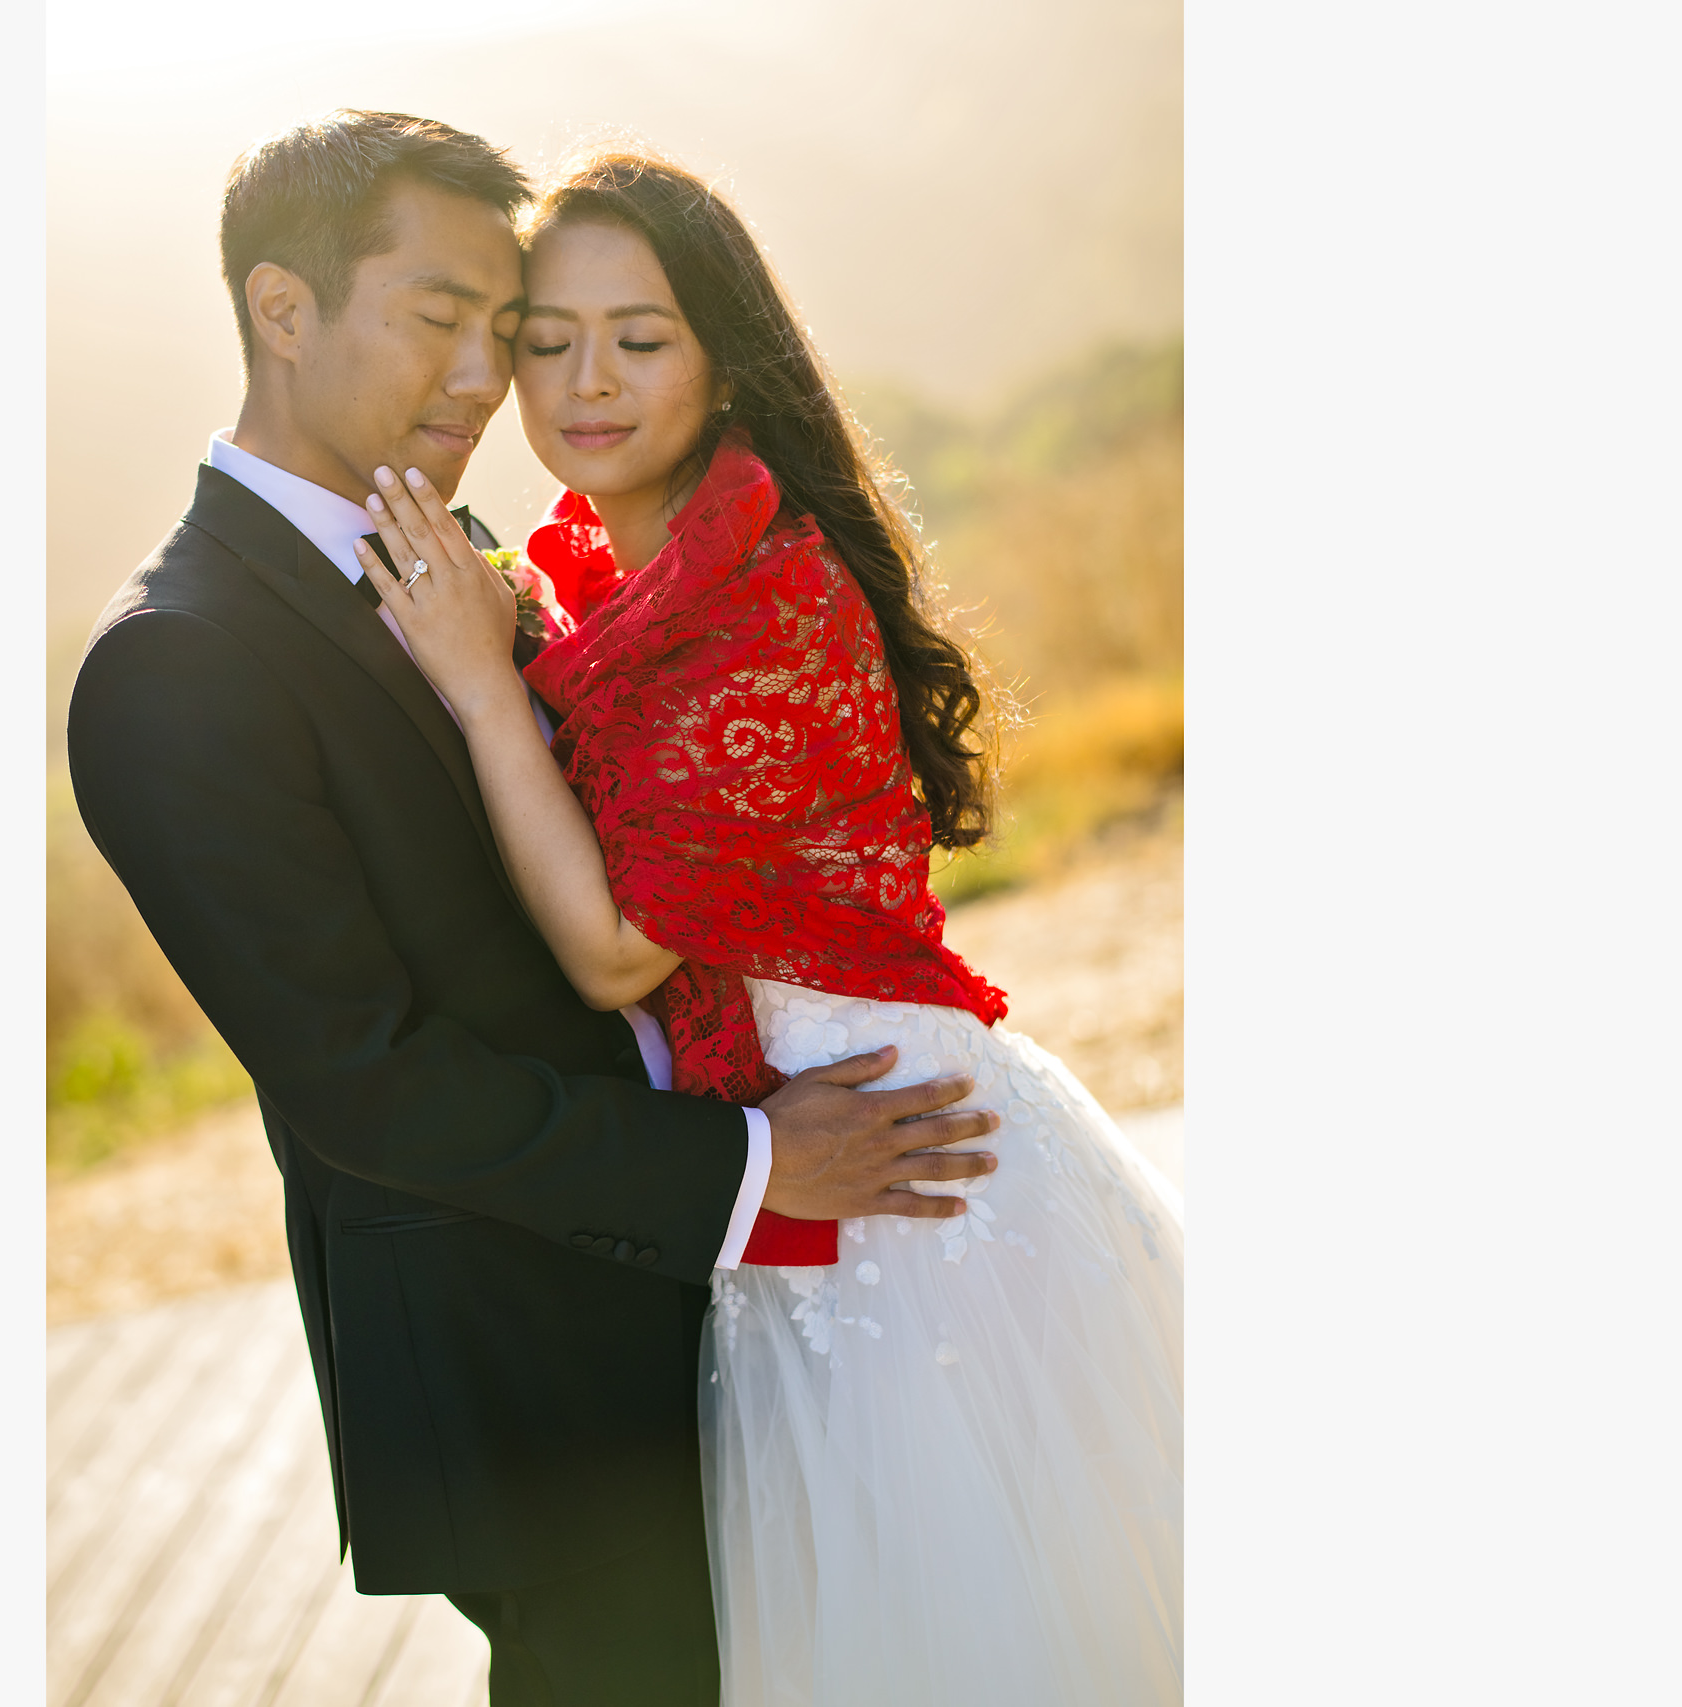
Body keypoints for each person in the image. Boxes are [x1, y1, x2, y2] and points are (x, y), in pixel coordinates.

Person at [63, 111, 1003, 1707]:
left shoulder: (453, 539)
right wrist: (762, 1171)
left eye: (502, 334)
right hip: (531, 1363)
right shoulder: (177, 661)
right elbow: (364, 1082)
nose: (486, 381)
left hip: (704, 1293)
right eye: (443, 322)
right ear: (283, 312)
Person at [355, 146, 1186, 1704]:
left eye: (640, 338)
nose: (583, 381)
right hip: (788, 1174)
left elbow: (616, 951)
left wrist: (477, 686)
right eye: (548, 340)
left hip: (895, 1171)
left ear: (724, 356)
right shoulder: (606, 569)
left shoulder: (766, 594)